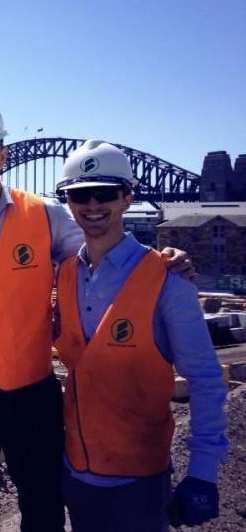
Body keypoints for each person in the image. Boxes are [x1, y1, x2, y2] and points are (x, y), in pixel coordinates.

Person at [0, 95, 193, 532]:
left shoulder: (47, 215)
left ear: (3, 153)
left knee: (43, 509)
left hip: (33, 396)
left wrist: (161, 261)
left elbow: (103, 257)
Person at [53, 139, 228, 531]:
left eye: (105, 194)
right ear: (68, 202)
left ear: (127, 198)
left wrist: (202, 472)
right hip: (77, 477)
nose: (93, 205)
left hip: (139, 486)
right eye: (81, 194)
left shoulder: (167, 281)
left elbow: (205, 380)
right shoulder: (64, 275)